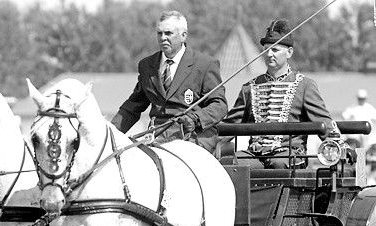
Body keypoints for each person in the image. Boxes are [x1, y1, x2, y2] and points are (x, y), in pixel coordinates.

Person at [222, 18, 339, 169]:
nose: (269, 54)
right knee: (232, 164)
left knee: (278, 163)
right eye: (266, 50)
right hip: (255, 154)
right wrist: (203, 145)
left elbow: (324, 122)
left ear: (289, 52)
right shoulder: (249, 87)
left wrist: (338, 145)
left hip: (290, 154)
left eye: (275, 50)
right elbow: (229, 126)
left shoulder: (304, 86)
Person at [111, 10, 227, 153]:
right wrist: (109, 132)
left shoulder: (205, 64)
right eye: (159, 33)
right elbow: (132, 107)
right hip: (156, 138)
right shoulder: (147, 65)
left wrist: (195, 119)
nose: (163, 38)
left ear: (183, 35)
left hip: (193, 138)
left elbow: (219, 105)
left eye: (168, 33)